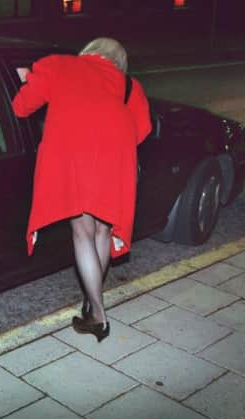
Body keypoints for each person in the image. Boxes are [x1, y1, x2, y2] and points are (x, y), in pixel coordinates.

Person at [12, 37, 152, 342]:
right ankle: (92, 302)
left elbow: (21, 108)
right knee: (102, 232)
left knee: (82, 232)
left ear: (89, 51)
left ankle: (99, 314)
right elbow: (141, 131)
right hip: (116, 162)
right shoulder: (130, 86)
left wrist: (27, 80)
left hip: (76, 157)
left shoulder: (59, 65)